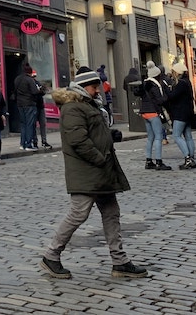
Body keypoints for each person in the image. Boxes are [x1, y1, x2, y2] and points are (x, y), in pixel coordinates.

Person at [39, 69, 149, 281]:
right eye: (94, 86)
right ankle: (51, 256)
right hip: (87, 171)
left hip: (101, 171)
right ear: (83, 87)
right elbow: (78, 141)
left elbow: (93, 134)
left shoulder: (89, 105)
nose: (97, 90)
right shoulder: (73, 108)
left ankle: (120, 261)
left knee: (111, 213)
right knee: (78, 213)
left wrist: (110, 136)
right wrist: (100, 158)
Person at [162, 62, 196, 169]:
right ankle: (191, 158)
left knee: (176, 135)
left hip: (180, 114)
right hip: (188, 113)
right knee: (188, 136)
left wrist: (166, 88)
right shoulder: (187, 82)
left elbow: (171, 96)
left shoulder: (181, 83)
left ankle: (187, 158)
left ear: (177, 73)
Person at [139, 63, 171, 170]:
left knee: (150, 138)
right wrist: (167, 97)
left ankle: (148, 161)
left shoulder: (144, 84)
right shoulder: (155, 86)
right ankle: (158, 161)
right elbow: (160, 100)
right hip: (153, 112)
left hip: (145, 113)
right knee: (158, 137)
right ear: (157, 75)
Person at [14, 63, 42, 150]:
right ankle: (29, 144)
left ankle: (22, 143)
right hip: (29, 104)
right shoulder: (30, 80)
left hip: (20, 104)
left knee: (23, 124)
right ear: (30, 72)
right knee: (30, 124)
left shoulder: (17, 79)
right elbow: (34, 92)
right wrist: (39, 90)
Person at [31, 70, 50, 150]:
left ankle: (44, 141)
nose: (34, 78)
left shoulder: (38, 83)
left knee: (43, 124)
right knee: (33, 125)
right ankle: (35, 141)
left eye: (35, 76)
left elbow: (42, 92)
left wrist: (42, 90)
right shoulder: (30, 84)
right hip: (34, 106)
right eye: (33, 76)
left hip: (40, 106)